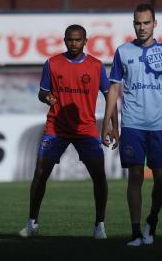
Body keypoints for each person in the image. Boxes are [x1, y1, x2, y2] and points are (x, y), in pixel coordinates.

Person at [19, 24, 118, 239]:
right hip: (57, 127)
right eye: (70, 40)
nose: (74, 43)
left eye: (78, 40)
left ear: (85, 41)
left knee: (99, 177)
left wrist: (113, 126)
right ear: (64, 40)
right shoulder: (53, 64)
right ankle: (32, 222)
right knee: (40, 173)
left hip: (85, 129)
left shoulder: (96, 66)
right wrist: (47, 98)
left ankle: (99, 224)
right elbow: (42, 92)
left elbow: (110, 96)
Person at [101, 3, 162, 246]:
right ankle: (136, 232)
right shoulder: (123, 51)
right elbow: (114, 87)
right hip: (132, 125)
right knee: (135, 176)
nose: (142, 27)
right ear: (133, 24)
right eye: (138, 23)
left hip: (158, 126)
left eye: (146, 22)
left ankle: (153, 218)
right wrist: (107, 121)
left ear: (154, 24)